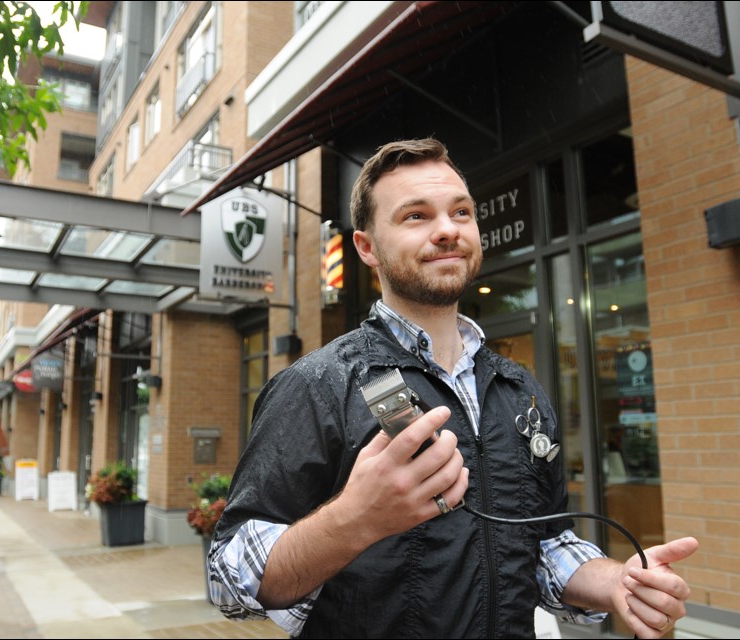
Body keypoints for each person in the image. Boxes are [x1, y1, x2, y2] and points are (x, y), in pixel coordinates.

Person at [208, 138, 698, 638]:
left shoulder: (518, 388)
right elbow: (228, 577)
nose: (447, 230)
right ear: (367, 247)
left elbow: (545, 543)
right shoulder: (316, 384)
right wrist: (355, 520)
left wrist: (617, 582)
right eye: (416, 216)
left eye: (460, 212)